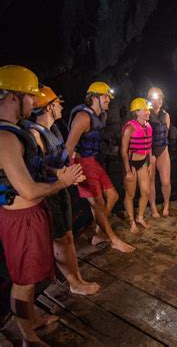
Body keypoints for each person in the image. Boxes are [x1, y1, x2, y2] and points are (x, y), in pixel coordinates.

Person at [0, 65, 84, 345]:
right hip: (21, 218)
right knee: (23, 281)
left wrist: (54, 173)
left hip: (31, 214)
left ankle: (32, 318)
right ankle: (28, 338)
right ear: (12, 97)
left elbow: (31, 169)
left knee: (31, 276)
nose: (33, 103)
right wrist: (63, 182)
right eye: (29, 97)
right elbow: (27, 189)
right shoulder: (6, 137)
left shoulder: (16, 131)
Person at [26, 86, 100, 296]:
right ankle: (73, 282)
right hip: (49, 192)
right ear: (49, 107)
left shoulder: (55, 129)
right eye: (57, 103)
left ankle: (76, 278)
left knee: (68, 236)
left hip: (61, 188)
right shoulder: (35, 134)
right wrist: (60, 174)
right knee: (60, 239)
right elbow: (35, 169)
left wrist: (70, 175)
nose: (60, 106)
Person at [66, 81, 135, 253]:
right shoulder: (83, 117)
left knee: (113, 195)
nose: (108, 100)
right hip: (82, 163)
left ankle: (99, 232)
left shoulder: (100, 116)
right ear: (94, 97)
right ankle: (113, 239)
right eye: (105, 96)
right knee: (98, 203)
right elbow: (68, 147)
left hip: (93, 161)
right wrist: (68, 171)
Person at [121, 98, 153, 233]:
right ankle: (131, 221)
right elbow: (123, 151)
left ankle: (140, 217)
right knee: (130, 194)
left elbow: (149, 147)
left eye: (148, 110)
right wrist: (128, 170)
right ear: (136, 112)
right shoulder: (130, 128)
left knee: (146, 191)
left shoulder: (148, 126)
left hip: (143, 163)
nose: (147, 112)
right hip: (131, 164)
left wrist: (150, 163)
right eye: (144, 110)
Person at [147, 87, 171, 217]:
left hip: (162, 149)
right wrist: (149, 153)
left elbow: (166, 133)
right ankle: (153, 207)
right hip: (150, 150)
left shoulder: (166, 115)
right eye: (154, 99)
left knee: (166, 181)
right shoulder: (146, 114)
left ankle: (166, 205)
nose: (157, 101)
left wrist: (165, 149)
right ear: (150, 100)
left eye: (160, 98)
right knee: (151, 181)